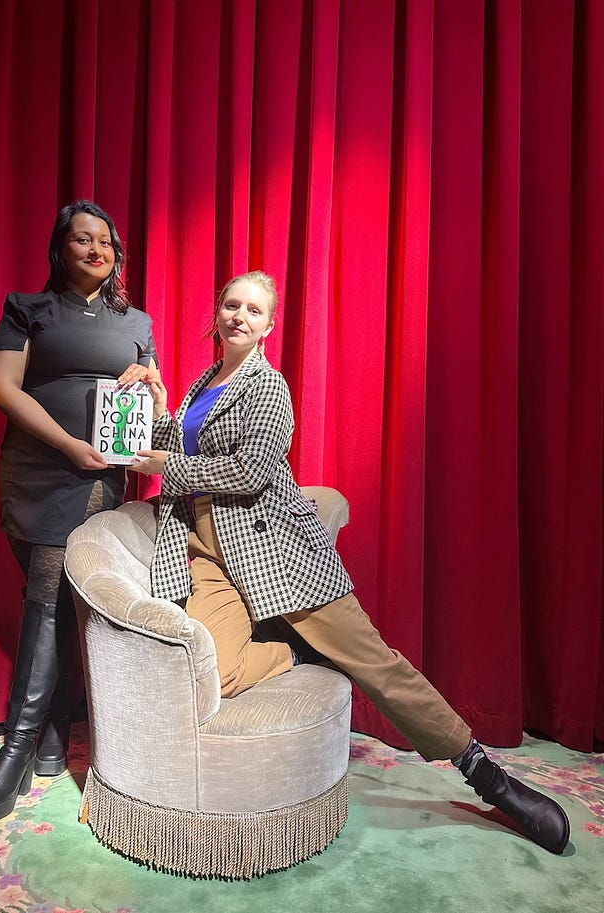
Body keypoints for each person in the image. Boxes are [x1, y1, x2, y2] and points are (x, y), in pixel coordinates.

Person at [128, 269, 570, 855]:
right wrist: (161, 410)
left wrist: (166, 468)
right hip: (205, 551)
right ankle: (297, 650)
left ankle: (485, 774)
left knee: (377, 665)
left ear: (269, 327)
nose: (238, 315)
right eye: (231, 304)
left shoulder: (268, 387)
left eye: (253, 310)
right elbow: (186, 449)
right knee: (218, 671)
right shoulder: (203, 382)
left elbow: (251, 472)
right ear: (217, 314)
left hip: (275, 552)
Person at [0, 200, 159, 826]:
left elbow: (152, 400)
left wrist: (149, 382)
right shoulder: (28, 308)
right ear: (61, 249)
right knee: (45, 596)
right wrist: (71, 444)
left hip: (102, 479)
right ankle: (32, 742)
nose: (95, 248)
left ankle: (32, 745)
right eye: (81, 239)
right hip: (40, 471)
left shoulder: (137, 321)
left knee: (64, 600)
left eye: (105, 240)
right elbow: (2, 388)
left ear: (116, 253)